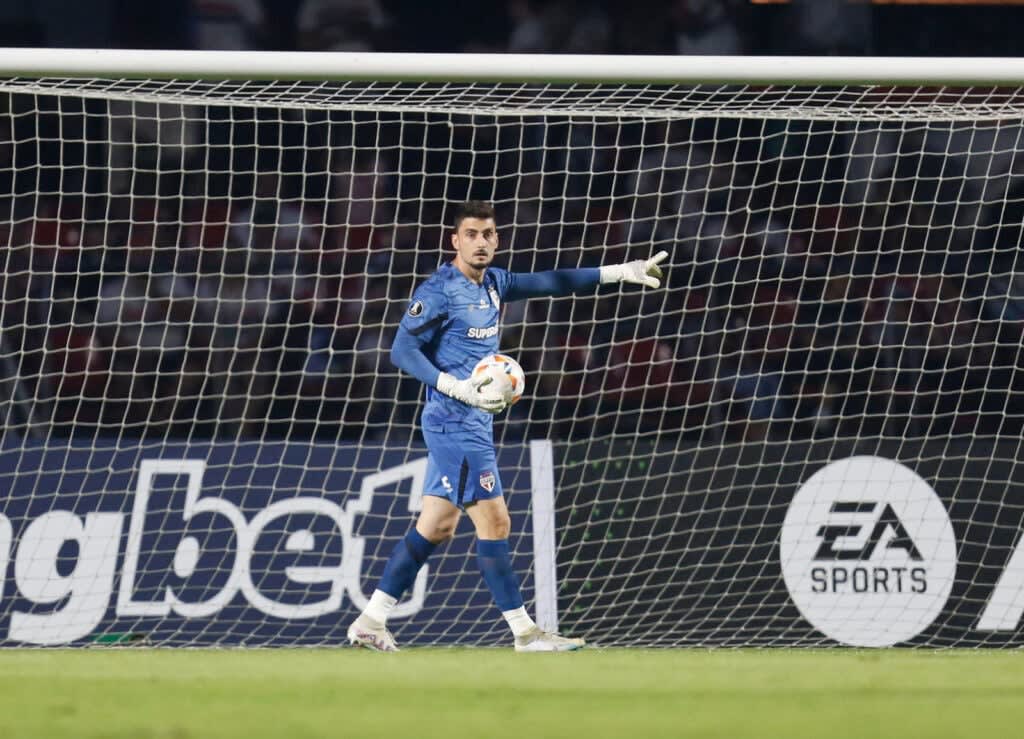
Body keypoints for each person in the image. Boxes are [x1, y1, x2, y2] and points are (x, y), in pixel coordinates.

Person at [347, 200, 667, 652]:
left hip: (475, 422)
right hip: (452, 422)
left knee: (436, 526)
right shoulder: (439, 289)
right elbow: (402, 352)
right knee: (495, 521)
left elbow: (552, 282)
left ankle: (371, 621)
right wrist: (456, 388)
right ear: (455, 240)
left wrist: (620, 272)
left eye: (488, 234)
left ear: (496, 240)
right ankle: (525, 633)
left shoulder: (495, 283)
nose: (481, 242)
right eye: (471, 234)